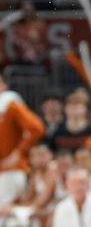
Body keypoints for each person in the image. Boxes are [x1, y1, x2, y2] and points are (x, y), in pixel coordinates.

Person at [0, 73, 45, 209]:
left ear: (3, 85)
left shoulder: (10, 103)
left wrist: (19, 152)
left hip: (11, 171)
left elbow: (36, 128)